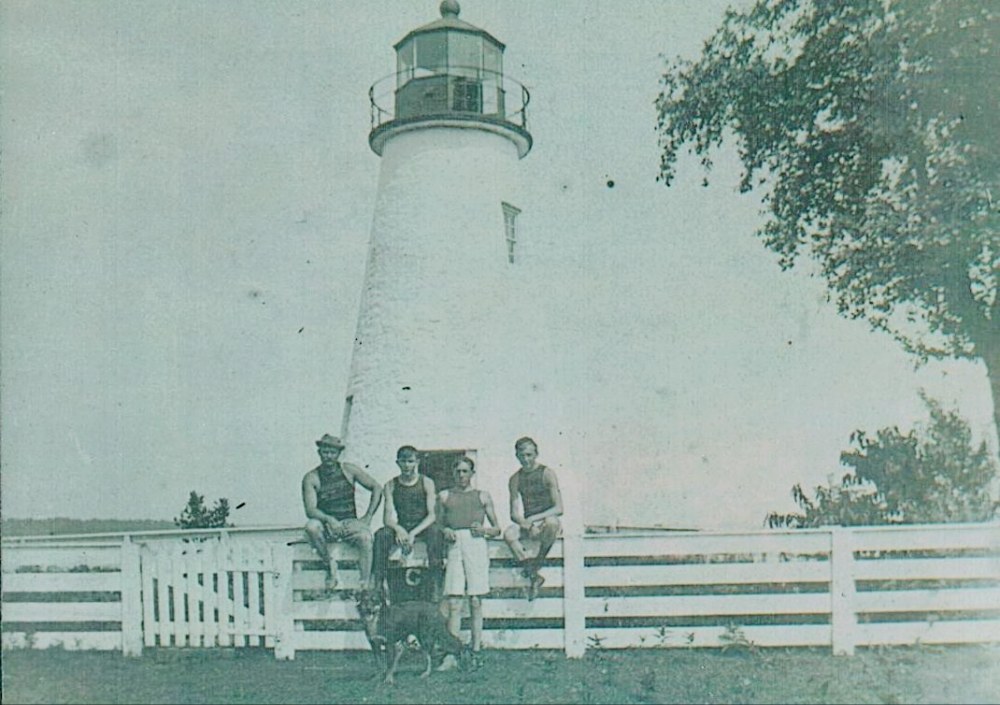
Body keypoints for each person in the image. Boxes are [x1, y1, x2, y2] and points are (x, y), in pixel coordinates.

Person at [437, 456, 500, 668]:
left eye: (465, 471)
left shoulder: (482, 496)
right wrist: (445, 530)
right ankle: (452, 654)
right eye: (458, 471)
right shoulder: (444, 496)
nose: (461, 475)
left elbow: (496, 528)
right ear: (453, 474)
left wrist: (485, 530)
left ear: (472, 473)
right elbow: (437, 525)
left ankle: (475, 651)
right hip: (455, 545)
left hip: (476, 544)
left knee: (475, 600)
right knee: (454, 601)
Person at [302, 434, 382, 592]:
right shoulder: (312, 477)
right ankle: (329, 564)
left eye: (333, 452)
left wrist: (368, 517)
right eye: (325, 452)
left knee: (366, 538)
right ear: (319, 453)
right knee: (311, 527)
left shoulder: (348, 470)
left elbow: (377, 488)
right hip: (327, 524)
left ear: (338, 454)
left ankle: (364, 584)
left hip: (349, 522)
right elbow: (310, 510)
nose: (329, 456)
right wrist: (328, 519)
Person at [371, 445, 444, 598]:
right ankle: (378, 584)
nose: (406, 465)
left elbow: (432, 515)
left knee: (436, 532)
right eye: (403, 461)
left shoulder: (426, 482)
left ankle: (436, 583)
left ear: (417, 462)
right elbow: (387, 517)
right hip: (403, 525)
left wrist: (413, 533)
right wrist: (398, 529)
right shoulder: (390, 485)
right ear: (397, 463)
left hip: (423, 525)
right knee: (381, 535)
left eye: (410, 461)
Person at [503, 436, 563, 600]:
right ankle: (533, 573)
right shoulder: (515, 479)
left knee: (552, 523)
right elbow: (514, 513)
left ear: (536, 454)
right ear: (517, 456)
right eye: (522, 456)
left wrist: (535, 519)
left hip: (546, 519)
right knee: (508, 534)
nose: (526, 459)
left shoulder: (547, 473)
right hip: (529, 524)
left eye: (529, 455)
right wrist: (527, 525)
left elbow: (559, 508)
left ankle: (538, 562)